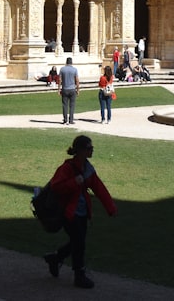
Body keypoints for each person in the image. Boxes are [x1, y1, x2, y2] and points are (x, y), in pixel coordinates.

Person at [43, 135, 117, 289]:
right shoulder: (67, 168)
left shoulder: (88, 168)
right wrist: (73, 182)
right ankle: (79, 275)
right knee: (79, 243)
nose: (92, 150)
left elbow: (99, 188)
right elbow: (56, 187)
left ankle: (56, 258)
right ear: (81, 150)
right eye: (89, 148)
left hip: (82, 212)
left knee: (78, 241)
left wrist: (110, 208)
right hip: (69, 212)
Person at [58, 57, 80, 125]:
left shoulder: (62, 69)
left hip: (65, 89)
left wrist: (59, 89)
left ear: (66, 62)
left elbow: (59, 80)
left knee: (65, 105)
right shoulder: (74, 69)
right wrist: (78, 89)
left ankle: (65, 120)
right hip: (72, 89)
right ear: (71, 62)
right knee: (72, 105)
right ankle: (71, 120)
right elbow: (77, 80)